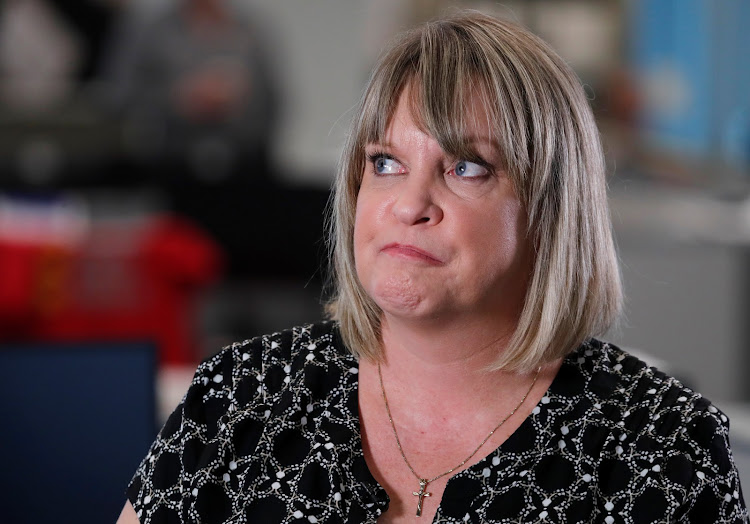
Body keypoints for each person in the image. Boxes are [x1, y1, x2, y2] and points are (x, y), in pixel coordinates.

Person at [117, 11, 747, 523]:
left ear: (552, 209)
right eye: (385, 163)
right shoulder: (238, 399)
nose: (409, 205)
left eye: (466, 167)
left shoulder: (659, 446)